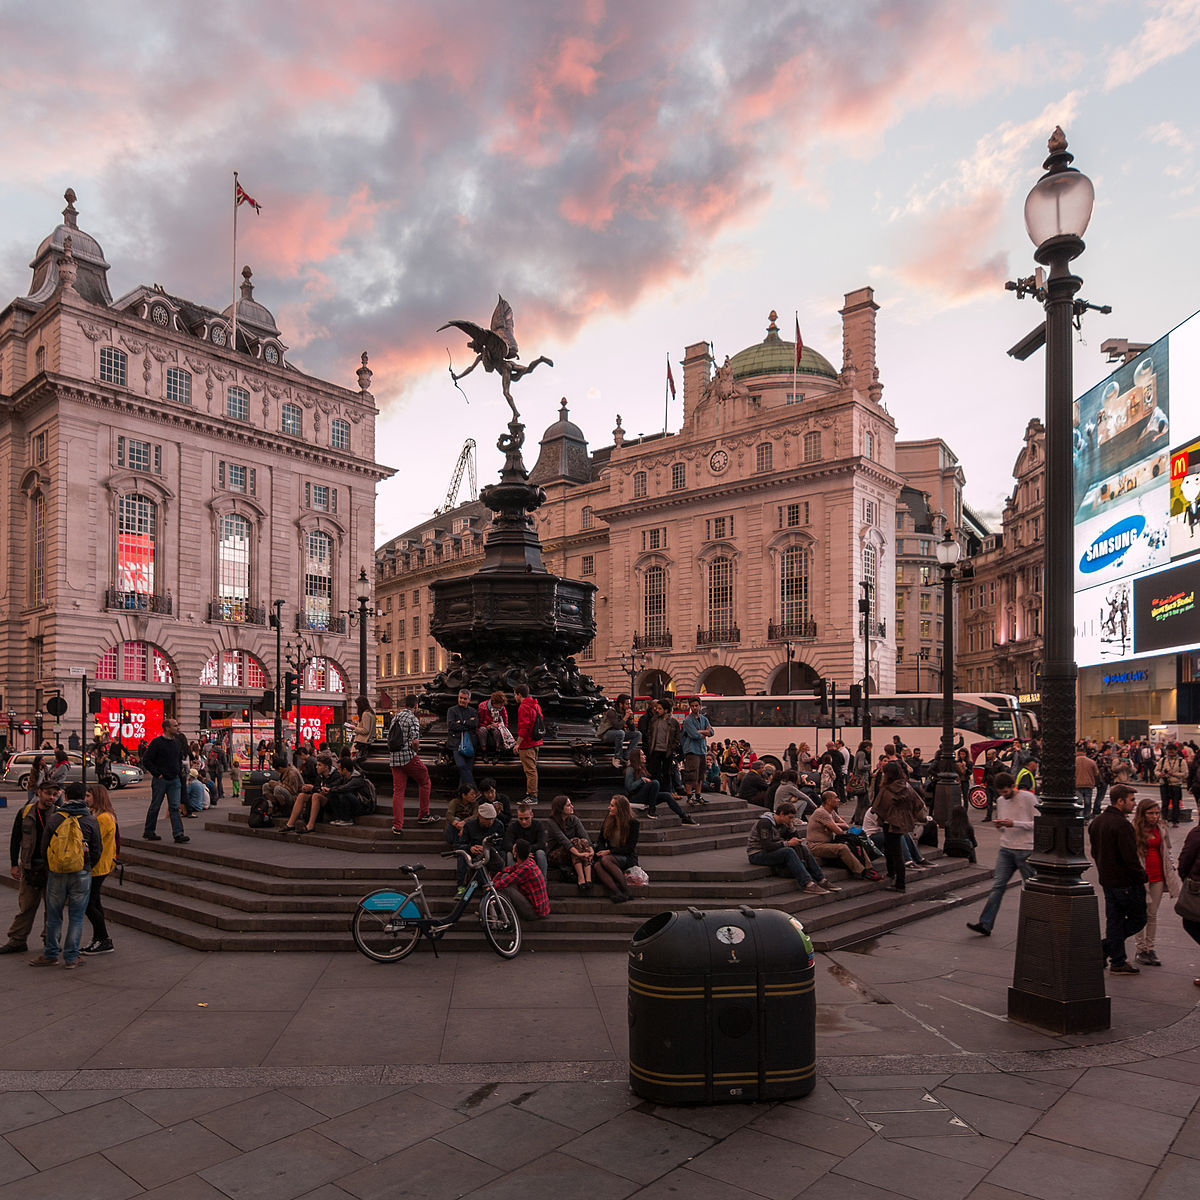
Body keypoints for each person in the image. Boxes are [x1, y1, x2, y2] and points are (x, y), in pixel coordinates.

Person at [29, 782, 101, 969]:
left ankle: (51, 954)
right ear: (83, 797)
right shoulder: (90, 820)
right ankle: (71, 957)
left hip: (57, 873)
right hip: (81, 873)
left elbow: (44, 847)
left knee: (53, 916)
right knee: (76, 917)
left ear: (66, 797)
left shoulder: (55, 818)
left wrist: (51, 865)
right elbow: (97, 849)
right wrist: (87, 866)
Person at [967, 771, 1037, 936]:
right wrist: (1001, 826)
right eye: (1000, 793)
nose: (1004, 796)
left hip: (1026, 848)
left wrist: (1015, 823)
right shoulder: (1000, 800)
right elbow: (1005, 823)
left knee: (1031, 887)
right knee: (997, 886)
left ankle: (1036, 922)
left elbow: (1038, 823)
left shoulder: (1027, 798)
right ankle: (985, 923)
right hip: (1006, 847)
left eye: (1006, 792)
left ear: (1013, 786)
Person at [1089, 784, 1148, 974]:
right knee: (1138, 920)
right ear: (1120, 801)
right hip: (1126, 883)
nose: (1134, 804)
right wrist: (1142, 876)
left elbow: (1094, 852)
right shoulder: (1122, 825)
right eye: (1131, 800)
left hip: (1107, 880)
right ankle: (1106, 948)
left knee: (1114, 920)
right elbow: (1130, 858)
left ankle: (1117, 960)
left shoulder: (1097, 821)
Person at [1, 778, 58, 954]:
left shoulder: (58, 814)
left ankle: (50, 941)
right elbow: (15, 839)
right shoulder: (26, 812)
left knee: (52, 909)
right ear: (39, 792)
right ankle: (17, 940)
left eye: (55, 794)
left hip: (51, 870)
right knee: (26, 907)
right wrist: (13, 864)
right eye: (48, 793)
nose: (52, 798)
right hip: (29, 867)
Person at [745, 802, 837, 896]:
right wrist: (788, 843)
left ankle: (821, 879)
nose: (791, 820)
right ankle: (807, 883)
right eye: (790, 817)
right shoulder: (765, 823)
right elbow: (767, 846)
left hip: (772, 850)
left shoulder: (783, 823)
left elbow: (795, 839)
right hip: (756, 853)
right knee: (788, 851)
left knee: (802, 848)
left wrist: (792, 828)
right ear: (781, 814)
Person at [1132, 797, 1179, 967]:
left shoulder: (1161, 827)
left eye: (1157, 813)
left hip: (1159, 875)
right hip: (1142, 876)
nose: (1155, 816)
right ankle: (1140, 949)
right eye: (1150, 813)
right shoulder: (1134, 829)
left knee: (1152, 914)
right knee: (1140, 913)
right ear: (1142, 814)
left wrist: (1171, 867)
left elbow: (1167, 849)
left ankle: (1150, 948)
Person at [872, 760, 926, 893]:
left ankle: (899, 882)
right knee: (894, 850)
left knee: (893, 851)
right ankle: (894, 876)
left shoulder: (887, 788)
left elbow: (877, 807)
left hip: (889, 822)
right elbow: (918, 803)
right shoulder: (906, 786)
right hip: (903, 822)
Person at [806, 790, 883, 881]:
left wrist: (833, 825)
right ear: (828, 801)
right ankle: (861, 871)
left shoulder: (831, 812)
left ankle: (869, 868)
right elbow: (839, 832)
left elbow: (846, 825)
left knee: (856, 840)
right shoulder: (821, 812)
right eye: (836, 798)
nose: (838, 800)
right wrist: (834, 826)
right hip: (816, 846)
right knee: (843, 847)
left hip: (828, 843)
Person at [388, 693, 433, 836]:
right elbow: (415, 741)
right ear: (416, 705)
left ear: (404, 704)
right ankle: (423, 814)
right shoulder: (413, 719)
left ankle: (397, 825)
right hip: (408, 757)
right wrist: (416, 750)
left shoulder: (395, 717)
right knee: (425, 780)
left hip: (394, 758)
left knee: (398, 792)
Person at [82, 784, 119, 955]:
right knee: (95, 902)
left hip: (98, 866)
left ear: (97, 797)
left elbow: (94, 841)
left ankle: (104, 938)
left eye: (88, 796)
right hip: (100, 865)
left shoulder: (103, 818)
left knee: (89, 904)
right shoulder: (101, 815)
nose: (86, 799)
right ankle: (99, 938)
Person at [141, 717, 189, 843]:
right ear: (167, 728)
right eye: (175, 726)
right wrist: (157, 774)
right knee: (155, 805)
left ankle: (178, 833)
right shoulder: (157, 742)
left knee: (174, 807)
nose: (177, 728)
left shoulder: (177, 743)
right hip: (161, 780)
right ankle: (149, 831)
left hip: (174, 779)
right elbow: (146, 760)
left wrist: (178, 774)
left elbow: (178, 759)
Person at [624, 748, 693, 823]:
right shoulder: (630, 769)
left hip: (645, 795)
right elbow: (629, 787)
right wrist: (642, 780)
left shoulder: (642, 768)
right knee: (655, 783)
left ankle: (683, 817)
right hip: (634, 797)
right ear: (637, 757)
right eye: (642, 755)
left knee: (667, 795)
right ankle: (652, 810)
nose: (645, 756)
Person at [593, 795, 638, 903]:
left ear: (620, 808)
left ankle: (626, 890)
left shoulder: (633, 823)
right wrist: (601, 850)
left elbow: (630, 848)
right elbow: (601, 840)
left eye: (612, 806)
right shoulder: (608, 819)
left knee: (605, 860)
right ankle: (617, 892)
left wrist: (608, 852)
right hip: (610, 855)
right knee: (597, 865)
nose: (609, 808)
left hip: (626, 856)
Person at [490, 838, 550, 920]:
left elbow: (505, 882)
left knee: (504, 887)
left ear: (515, 853)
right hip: (534, 905)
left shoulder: (525, 869)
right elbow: (508, 870)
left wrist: (491, 887)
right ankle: (499, 911)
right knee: (505, 876)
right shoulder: (529, 862)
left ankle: (509, 919)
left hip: (535, 912)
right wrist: (494, 880)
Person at [546, 795, 594, 893]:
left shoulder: (574, 819)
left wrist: (591, 851)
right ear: (560, 808)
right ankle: (581, 878)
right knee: (575, 841)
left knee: (583, 841)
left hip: (574, 851)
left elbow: (585, 836)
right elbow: (564, 841)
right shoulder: (551, 822)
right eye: (568, 805)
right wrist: (579, 854)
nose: (572, 807)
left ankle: (588, 879)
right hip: (556, 854)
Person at [454, 802, 503, 896]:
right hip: (473, 853)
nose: (490, 822)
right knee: (462, 857)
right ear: (480, 816)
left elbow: (501, 845)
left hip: (490, 853)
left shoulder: (498, 825)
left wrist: (488, 848)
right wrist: (470, 848)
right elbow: (460, 844)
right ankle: (461, 887)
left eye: (492, 819)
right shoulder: (469, 825)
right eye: (487, 819)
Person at [1177, 823, 1200, 988]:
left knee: (1190, 922)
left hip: (1197, 885)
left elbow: (1185, 860)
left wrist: (1186, 877)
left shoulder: (1197, 833)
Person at [680, 698, 715, 807]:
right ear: (690, 707)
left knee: (701, 774)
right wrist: (705, 732)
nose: (695, 708)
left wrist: (701, 732)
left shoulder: (704, 719)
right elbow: (693, 735)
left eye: (696, 705)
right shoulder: (688, 720)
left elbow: (712, 732)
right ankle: (689, 796)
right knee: (691, 774)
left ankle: (698, 796)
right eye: (692, 706)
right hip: (691, 750)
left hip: (702, 750)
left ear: (700, 706)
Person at [503, 801, 549, 878]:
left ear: (531, 815)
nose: (524, 822)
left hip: (532, 853)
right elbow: (507, 843)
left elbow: (541, 843)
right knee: (509, 855)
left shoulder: (538, 825)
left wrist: (526, 852)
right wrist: (520, 852)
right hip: (517, 854)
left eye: (526, 818)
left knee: (540, 853)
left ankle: (542, 880)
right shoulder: (513, 826)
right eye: (521, 819)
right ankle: (513, 880)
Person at [446, 688, 480, 789]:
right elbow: (451, 725)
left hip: (470, 744)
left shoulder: (473, 711)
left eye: (465, 699)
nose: (462, 700)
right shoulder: (451, 710)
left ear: (469, 700)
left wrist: (460, 722)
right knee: (461, 766)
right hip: (456, 744)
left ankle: (463, 794)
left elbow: (475, 724)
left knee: (467, 769)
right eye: (460, 698)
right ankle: (474, 790)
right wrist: (467, 723)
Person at [514, 683, 543, 804]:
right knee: (532, 769)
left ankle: (532, 796)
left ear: (519, 694)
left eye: (514, 694)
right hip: (536, 741)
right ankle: (530, 794)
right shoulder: (535, 705)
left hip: (527, 743)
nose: (514, 697)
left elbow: (524, 727)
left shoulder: (523, 707)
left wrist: (517, 744)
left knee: (530, 771)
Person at [598, 694, 641, 768]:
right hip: (606, 734)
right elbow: (617, 726)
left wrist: (630, 719)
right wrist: (626, 717)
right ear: (621, 704)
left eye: (630, 704)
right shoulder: (612, 712)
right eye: (627, 704)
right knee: (620, 732)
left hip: (620, 735)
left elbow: (632, 729)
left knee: (637, 734)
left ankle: (626, 756)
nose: (629, 706)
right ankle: (617, 757)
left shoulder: (625, 712)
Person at [1156, 744, 1187, 826]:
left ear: (1176, 751)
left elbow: (1185, 774)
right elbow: (1156, 771)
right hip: (1164, 784)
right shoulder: (1162, 760)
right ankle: (1164, 819)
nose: (1170, 753)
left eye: (1172, 751)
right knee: (1164, 803)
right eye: (1169, 751)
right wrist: (1160, 774)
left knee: (1176, 803)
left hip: (1175, 784)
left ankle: (1175, 821)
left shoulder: (1181, 761)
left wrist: (1173, 774)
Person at [477, 690, 512, 762]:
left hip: (496, 728)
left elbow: (505, 723)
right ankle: (484, 751)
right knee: (482, 730)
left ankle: (497, 751)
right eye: (500, 705)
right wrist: (487, 726)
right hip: (485, 727)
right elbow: (479, 722)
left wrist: (498, 725)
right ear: (494, 703)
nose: (501, 706)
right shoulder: (482, 706)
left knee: (497, 731)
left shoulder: (502, 709)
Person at [1076, 745, 1101, 820]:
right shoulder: (1091, 762)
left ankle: (1079, 816)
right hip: (1089, 784)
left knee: (1079, 801)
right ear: (1085, 753)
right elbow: (1096, 773)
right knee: (1088, 801)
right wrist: (1097, 782)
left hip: (1077, 784)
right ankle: (1087, 816)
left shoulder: (1073, 761)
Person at [352, 695, 376, 761]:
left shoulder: (365, 714)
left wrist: (354, 728)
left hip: (361, 742)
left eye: (357, 705)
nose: (357, 707)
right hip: (367, 742)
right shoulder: (371, 713)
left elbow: (366, 730)